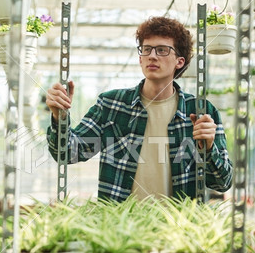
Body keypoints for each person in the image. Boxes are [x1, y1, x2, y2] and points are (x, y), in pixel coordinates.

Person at [46, 16, 233, 202]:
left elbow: (222, 183)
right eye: (146, 49)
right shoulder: (111, 105)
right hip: (121, 226)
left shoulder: (201, 111)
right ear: (140, 59)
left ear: (180, 62)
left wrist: (209, 148)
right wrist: (59, 116)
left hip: (178, 228)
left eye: (162, 50)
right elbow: (67, 153)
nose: (152, 55)